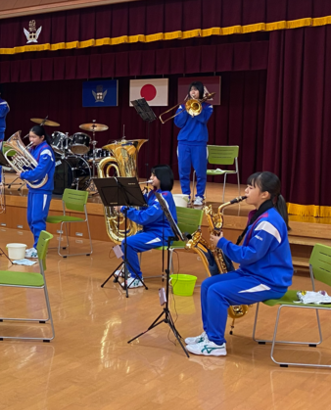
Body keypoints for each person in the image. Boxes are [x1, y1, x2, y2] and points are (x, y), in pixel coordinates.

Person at [185, 172, 292, 357]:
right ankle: (209, 334)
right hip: (252, 273)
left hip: (269, 281)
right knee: (208, 285)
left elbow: (249, 255)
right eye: (247, 186)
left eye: (251, 187)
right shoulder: (260, 215)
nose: (246, 191)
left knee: (217, 292)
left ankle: (216, 344)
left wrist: (223, 244)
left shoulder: (269, 222)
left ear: (265, 194)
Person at [115, 165, 178, 289]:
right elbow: (138, 202)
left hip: (162, 234)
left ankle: (137, 277)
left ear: (162, 178)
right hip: (151, 231)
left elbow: (145, 218)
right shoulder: (152, 194)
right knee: (123, 242)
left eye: (154, 175)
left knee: (128, 243)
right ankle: (128, 268)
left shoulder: (165, 196)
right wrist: (127, 192)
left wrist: (124, 209)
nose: (150, 177)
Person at [19, 125, 56, 259]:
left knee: (37, 219)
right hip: (33, 188)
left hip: (43, 190)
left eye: (34, 137)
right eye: (30, 136)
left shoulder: (46, 151)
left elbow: (40, 172)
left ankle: (39, 249)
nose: (31, 139)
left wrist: (23, 175)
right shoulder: (33, 149)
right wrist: (21, 163)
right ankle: (36, 246)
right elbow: (29, 165)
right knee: (30, 219)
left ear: (42, 137)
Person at [174, 81, 213, 207]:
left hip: (199, 142)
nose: (193, 92)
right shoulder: (182, 106)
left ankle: (199, 196)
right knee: (183, 171)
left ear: (200, 92)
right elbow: (178, 123)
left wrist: (196, 106)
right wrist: (187, 108)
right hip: (183, 142)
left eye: (196, 90)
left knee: (200, 172)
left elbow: (203, 119)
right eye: (191, 90)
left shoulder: (208, 106)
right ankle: (186, 195)